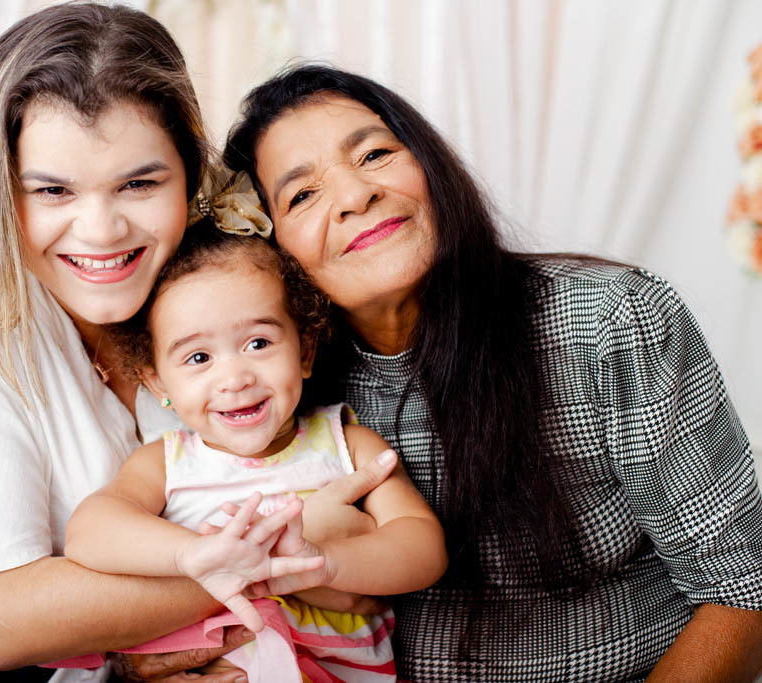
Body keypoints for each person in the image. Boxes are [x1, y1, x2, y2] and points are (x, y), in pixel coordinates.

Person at [0, 8, 396, 682]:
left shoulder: (206, 303)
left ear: (189, 171)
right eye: (53, 190)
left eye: (139, 184)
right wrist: (283, 559)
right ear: (1, 189)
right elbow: (3, 623)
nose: (102, 230)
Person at [222, 65, 762, 681]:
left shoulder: (608, 322)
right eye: (302, 195)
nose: (354, 196)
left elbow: (743, 589)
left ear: (431, 163)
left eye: (374, 155)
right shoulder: (274, 386)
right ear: (270, 252)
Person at [59, 215, 447, 682]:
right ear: (157, 382)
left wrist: (321, 564)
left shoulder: (348, 443)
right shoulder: (165, 463)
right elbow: (89, 532)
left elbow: (424, 549)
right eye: (199, 357)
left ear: (304, 351)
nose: (235, 377)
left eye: (258, 343)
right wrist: (192, 555)